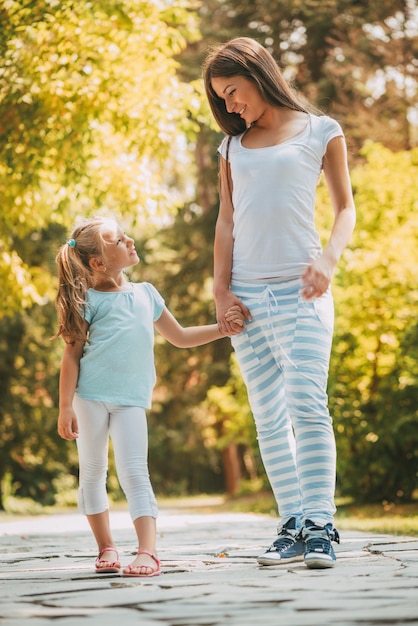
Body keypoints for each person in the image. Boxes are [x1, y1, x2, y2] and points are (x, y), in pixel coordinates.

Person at [202, 37, 356, 569]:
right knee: (268, 418)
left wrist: (329, 260)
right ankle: (292, 524)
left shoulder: (321, 131)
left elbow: (345, 210)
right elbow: (226, 223)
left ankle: (321, 524)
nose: (230, 106)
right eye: (222, 99)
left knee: (307, 404)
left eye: (233, 92)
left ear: (256, 73)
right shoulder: (231, 148)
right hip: (245, 298)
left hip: (303, 288)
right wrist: (221, 291)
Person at [54, 216, 244, 577]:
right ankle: (106, 547)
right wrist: (65, 406)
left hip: (130, 401)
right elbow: (71, 356)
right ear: (98, 263)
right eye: (118, 240)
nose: (129, 240)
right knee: (92, 473)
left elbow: (181, 336)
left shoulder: (146, 294)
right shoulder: (87, 302)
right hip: (89, 399)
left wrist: (223, 328)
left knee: (135, 472)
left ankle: (148, 552)